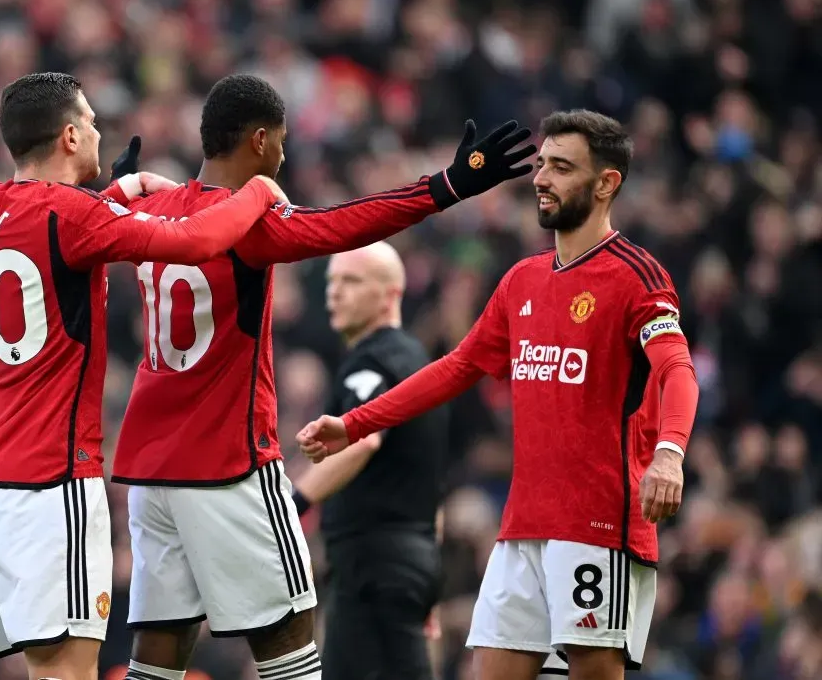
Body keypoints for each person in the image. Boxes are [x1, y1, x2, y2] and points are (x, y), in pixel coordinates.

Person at [108, 73, 536, 680]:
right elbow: (346, 224)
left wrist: (119, 183)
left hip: (149, 472)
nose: (283, 159)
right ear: (259, 140)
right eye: (281, 143)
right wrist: (446, 186)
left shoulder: (153, 210)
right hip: (227, 463)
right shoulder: (247, 224)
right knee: (291, 638)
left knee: (158, 648)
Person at [297, 110, 700, 680]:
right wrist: (355, 422)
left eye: (562, 168)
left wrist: (670, 452)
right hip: (522, 529)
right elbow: (457, 367)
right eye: (542, 165)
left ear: (606, 183)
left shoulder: (637, 277)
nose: (541, 178)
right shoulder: (522, 280)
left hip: (597, 528)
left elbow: (677, 369)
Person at [0, 71, 285, 680]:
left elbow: (57, 236)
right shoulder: (73, 214)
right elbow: (195, 240)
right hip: (52, 480)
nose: (97, 132)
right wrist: (259, 191)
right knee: (70, 672)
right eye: (90, 122)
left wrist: (123, 190)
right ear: (69, 137)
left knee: (46, 671)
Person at [290, 242, 449, 680]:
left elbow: (362, 441)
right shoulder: (417, 364)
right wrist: (426, 576)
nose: (334, 293)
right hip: (406, 562)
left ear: (389, 294)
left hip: (375, 565)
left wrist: (290, 506)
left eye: (352, 281)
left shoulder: (377, 360)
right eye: (332, 282)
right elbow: (433, 487)